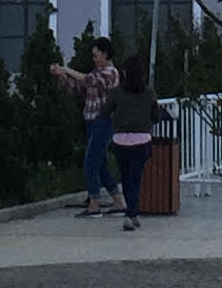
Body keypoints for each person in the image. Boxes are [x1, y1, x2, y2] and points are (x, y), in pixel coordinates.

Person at [56, 35, 122, 215]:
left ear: (105, 54)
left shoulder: (111, 73)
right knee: (100, 163)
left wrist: (67, 69)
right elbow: (78, 88)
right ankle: (117, 200)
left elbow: (88, 81)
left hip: (104, 121)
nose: (94, 58)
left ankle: (94, 202)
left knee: (91, 162)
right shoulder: (95, 72)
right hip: (92, 121)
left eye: (96, 55)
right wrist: (62, 77)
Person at [107, 59, 157, 231]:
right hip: (142, 140)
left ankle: (131, 213)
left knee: (126, 178)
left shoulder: (116, 93)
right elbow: (155, 116)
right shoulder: (149, 93)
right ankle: (131, 213)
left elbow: (105, 112)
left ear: (125, 72)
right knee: (135, 178)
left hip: (120, 140)